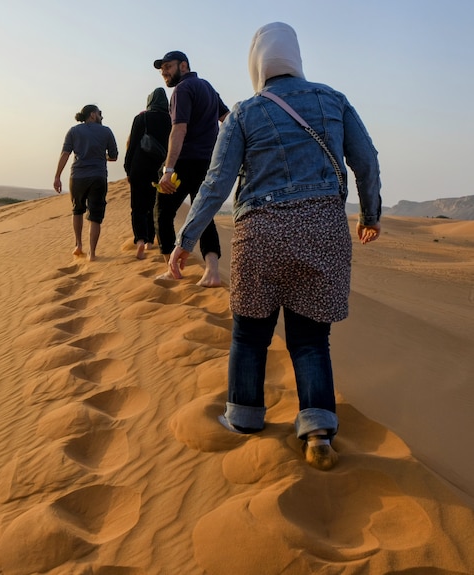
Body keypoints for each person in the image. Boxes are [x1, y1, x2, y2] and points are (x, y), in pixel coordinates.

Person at [169, 22, 382, 470]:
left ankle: (244, 418)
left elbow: (216, 182)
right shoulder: (334, 100)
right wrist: (371, 215)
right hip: (321, 231)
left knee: (249, 335)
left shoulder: (246, 112)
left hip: (260, 234)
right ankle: (319, 430)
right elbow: (366, 160)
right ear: (294, 57)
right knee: (310, 339)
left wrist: (185, 240)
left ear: (258, 63)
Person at [154, 50, 229, 286]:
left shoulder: (182, 90)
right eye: (162, 69)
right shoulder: (207, 87)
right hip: (208, 163)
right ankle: (212, 271)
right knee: (204, 215)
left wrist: (168, 169)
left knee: (162, 213)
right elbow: (227, 118)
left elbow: (179, 130)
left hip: (185, 162)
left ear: (183, 66)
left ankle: (171, 268)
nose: (164, 72)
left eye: (168, 67)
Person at [54, 104, 119, 261]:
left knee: (77, 210)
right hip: (98, 177)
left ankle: (78, 245)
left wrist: (57, 176)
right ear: (92, 115)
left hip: (77, 176)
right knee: (95, 216)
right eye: (99, 113)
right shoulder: (106, 131)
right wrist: (102, 157)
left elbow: (65, 153)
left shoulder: (74, 131)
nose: (101, 116)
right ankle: (92, 253)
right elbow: (114, 156)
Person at [124, 88, 171, 260]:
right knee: (154, 205)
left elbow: (132, 145)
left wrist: (127, 169)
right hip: (160, 169)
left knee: (137, 206)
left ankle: (141, 240)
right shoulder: (171, 120)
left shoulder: (141, 118)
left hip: (138, 167)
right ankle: (151, 241)